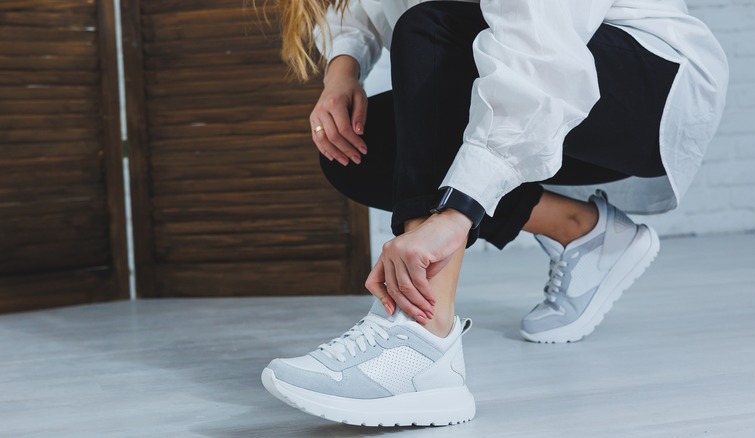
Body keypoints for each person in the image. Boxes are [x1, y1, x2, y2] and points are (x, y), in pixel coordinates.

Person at [260, 0, 728, 426]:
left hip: (652, 84)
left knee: (430, 29)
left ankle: (421, 338)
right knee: (361, 149)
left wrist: (457, 210)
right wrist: (343, 71)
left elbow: (539, 54)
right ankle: (581, 231)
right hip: (558, 81)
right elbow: (372, 8)